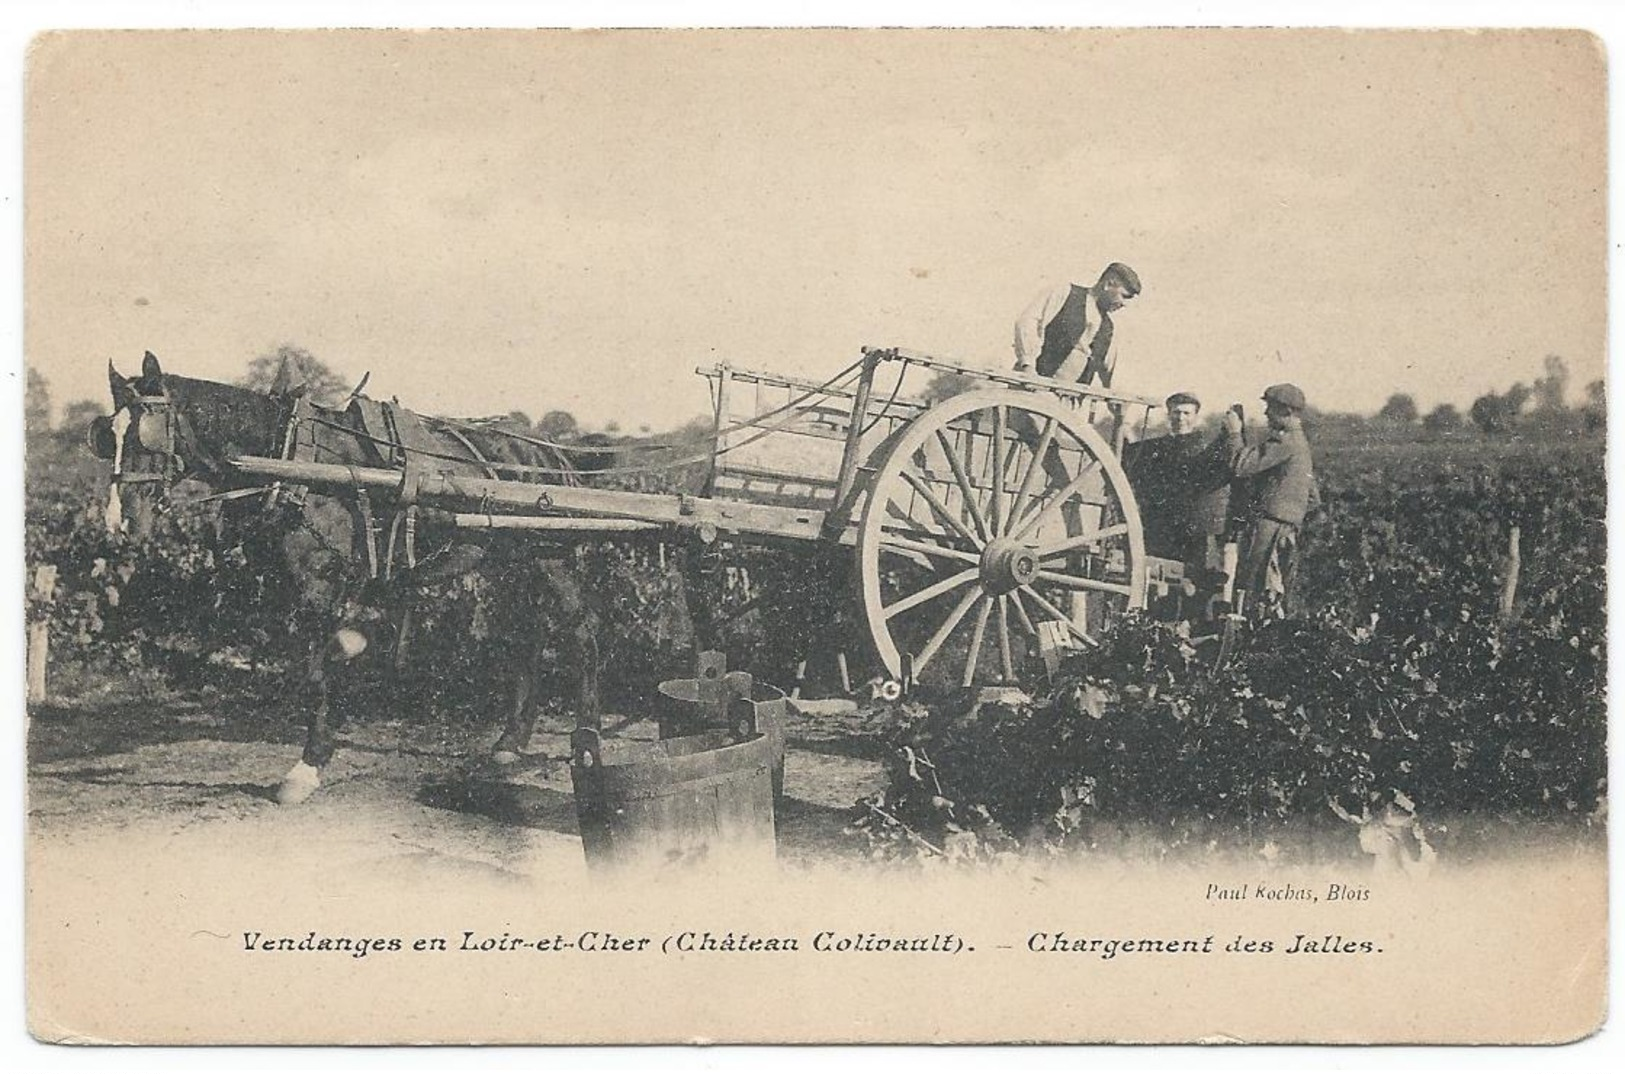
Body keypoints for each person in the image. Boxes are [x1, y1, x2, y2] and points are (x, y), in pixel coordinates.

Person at [1222, 383, 1319, 618]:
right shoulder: (1300, 444)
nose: (1265, 414)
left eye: (1270, 408)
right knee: (1270, 592)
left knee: (1253, 591)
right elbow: (1313, 497)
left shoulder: (1285, 443)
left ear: (1286, 412)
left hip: (1269, 528)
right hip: (1284, 528)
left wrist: (1234, 433)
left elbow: (1240, 465)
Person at [1124, 392, 1232, 593]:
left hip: (1188, 528)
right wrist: (1124, 428)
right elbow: (1131, 456)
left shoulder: (1203, 449)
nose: (1180, 418)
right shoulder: (1156, 446)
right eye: (1175, 413)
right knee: (1153, 579)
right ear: (1168, 415)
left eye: (1186, 413)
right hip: (1158, 524)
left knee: (1186, 582)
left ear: (1195, 417)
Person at [1012, 263, 1141, 388]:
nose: (1124, 304)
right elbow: (1027, 323)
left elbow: (1110, 370)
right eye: (1124, 296)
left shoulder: (1108, 328)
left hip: (1066, 402)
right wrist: (1027, 365)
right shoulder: (1064, 293)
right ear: (1108, 284)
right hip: (1032, 388)